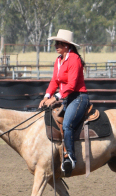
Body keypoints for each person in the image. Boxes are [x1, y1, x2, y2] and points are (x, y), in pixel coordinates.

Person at [38, 29, 89, 175]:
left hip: (78, 97)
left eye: (59, 43)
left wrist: (55, 98)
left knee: (67, 124)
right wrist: (46, 96)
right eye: (56, 43)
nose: (56, 46)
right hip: (66, 98)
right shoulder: (59, 60)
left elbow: (72, 85)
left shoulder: (74, 59)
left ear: (67, 45)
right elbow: (54, 80)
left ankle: (70, 158)